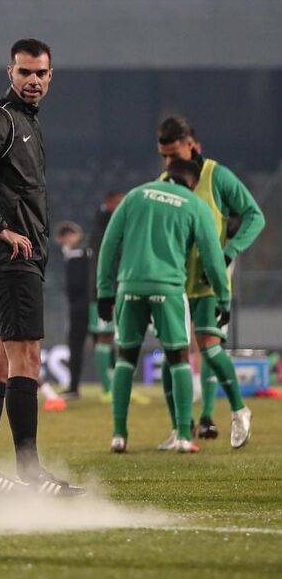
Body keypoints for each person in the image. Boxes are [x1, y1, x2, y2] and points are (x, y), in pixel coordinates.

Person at [0, 38, 84, 496]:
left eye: (41, 73)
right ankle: (31, 474)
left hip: (13, 260)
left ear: (51, 77)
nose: (33, 80)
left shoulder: (26, 122)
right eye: (25, 72)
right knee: (27, 359)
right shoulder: (3, 118)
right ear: (9, 73)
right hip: (11, 260)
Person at [98, 158, 230, 453]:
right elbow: (212, 258)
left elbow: (109, 244)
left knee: (125, 358)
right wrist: (223, 297)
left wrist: (105, 291)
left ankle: (119, 435)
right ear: (192, 182)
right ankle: (183, 435)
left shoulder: (135, 195)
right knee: (178, 358)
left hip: (129, 287)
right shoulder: (194, 205)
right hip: (168, 288)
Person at [154, 117, 264, 449]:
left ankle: (238, 412)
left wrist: (229, 253)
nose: (170, 163)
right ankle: (179, 428)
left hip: (207, 279)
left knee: (209, 348)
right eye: (164, 156)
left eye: (174, 154)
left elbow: (254, 216)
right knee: (172, 354)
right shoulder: (163, 181)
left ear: (192, 146)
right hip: (173, 280)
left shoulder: (217, 175)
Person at [87, 191, 124, 403]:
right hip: (102, 290)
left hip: (119, 288)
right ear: (108, 203)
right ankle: (107, 389)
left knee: (120, 337)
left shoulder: (118, 225)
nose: (122, 205)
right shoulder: (102, 227)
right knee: (105, 336)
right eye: (118, 202)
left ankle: (119, 387)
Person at [53, 221, 89, 399]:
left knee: (76, 345)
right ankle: (112, 388)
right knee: (105, 344)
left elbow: (74, 285)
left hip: (80, 308)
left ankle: (74, 387)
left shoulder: (76, 255)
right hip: (93, 305)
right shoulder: (87, 253)